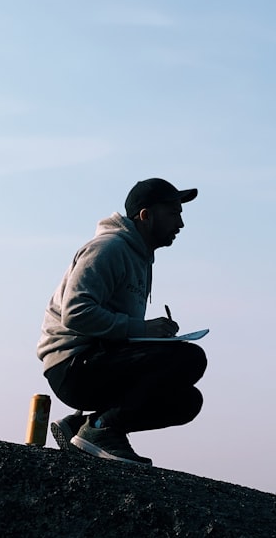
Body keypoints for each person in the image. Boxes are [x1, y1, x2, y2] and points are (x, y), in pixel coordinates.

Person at [37, 178, 208, 465]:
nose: (180, 224)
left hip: (100, 361)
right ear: (146, 216)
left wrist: (154, 337)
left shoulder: (140, 257)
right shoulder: (109, 248)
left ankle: (85, 426)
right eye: (173, 213)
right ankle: (102, 431)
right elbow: (76, 312)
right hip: (72, 366)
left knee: (187, 402)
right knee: (190, 359)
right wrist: (144, 329)